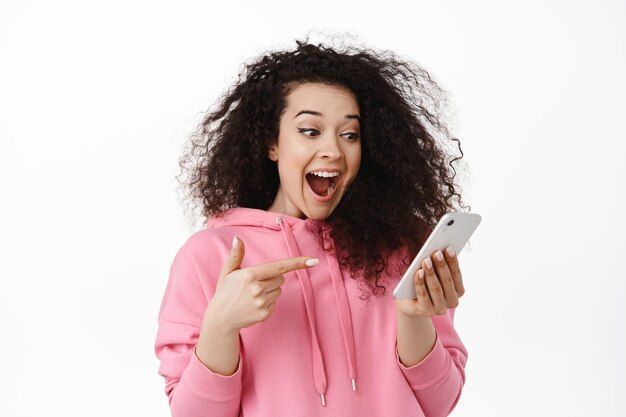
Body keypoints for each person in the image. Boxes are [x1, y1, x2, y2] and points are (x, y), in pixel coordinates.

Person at [155, 37, 470, 417]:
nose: (334, 151)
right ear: (272, 143)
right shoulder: (209, 255)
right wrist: (221, 327)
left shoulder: (400, 248)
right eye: (310, 131)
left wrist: (413, 316)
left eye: (349, 135)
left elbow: (440, 403)